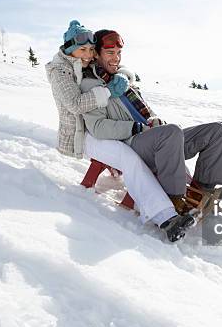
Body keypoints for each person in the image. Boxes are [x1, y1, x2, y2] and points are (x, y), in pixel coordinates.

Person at [79, 29, 222, 236]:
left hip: (156, 137)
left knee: (217, 131)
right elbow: (98, 127)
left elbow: (144, 110)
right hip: (132, 142)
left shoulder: (122, 80)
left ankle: (204, 192)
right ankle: (173, 199)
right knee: (170, 133)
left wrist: (154, 119)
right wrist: (138, 128)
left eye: (118, 52)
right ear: (96, 54)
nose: (116, 58)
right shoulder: (90, 85)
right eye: (110, 53)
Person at [45, 20, 186, 242]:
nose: (88, 54)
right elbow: (75, 105)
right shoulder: (60, 71)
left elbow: (112, 70)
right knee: (129, 158)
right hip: (84, 134)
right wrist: (108, 91)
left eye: (91, 49)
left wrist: (123, 77)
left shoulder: (84, 64)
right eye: (83, 49)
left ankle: (175, 196)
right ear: (70, 48)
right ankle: (165, 216)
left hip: (99, 126)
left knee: (146, 149)